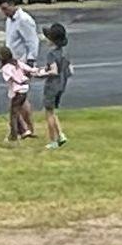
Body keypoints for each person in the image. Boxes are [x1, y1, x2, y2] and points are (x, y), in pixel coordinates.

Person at [36, 17, 71, 148]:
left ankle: (53, 141)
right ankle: (60, 134)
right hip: (61, 85)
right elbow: (69, 69)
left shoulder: (51, 54)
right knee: (53, 111)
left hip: (52, 86)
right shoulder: (62, 54)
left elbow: (54, 71)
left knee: (48, 113)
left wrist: (41, 74)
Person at [0, 45, 33, 144]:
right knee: (16, 112)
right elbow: (28, 69)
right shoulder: (16, 63)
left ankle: (13, 135)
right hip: (24, 90)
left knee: (13, 115)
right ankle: (24, 131)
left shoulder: (6, 68)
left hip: (18, 92)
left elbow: (12, 78)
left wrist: (20, 80)